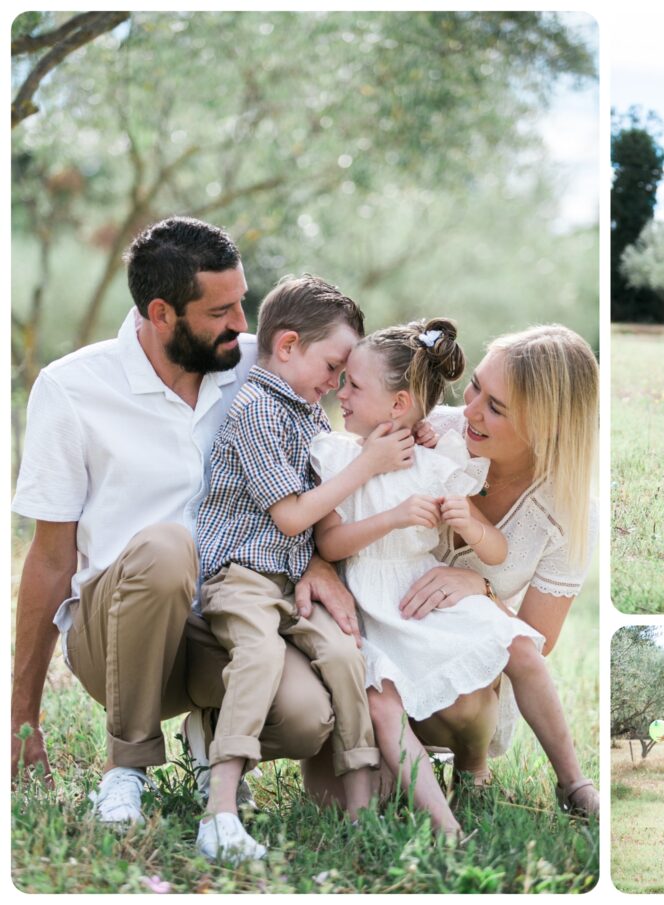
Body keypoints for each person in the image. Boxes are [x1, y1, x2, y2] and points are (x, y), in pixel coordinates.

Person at [10, 217, 402, 829]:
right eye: (221, 311)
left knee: (305, 716)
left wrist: (321, 559)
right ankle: (126, 768)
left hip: (226, 615)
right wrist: (21, 719)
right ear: (162, 313)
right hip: (116, 635)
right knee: (170, 549)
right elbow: (50, 560)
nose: (243, 325)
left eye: (242, 301)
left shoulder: (262, 369)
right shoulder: (72, 389)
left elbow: (323, 466)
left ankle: (212, 738)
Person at [303, 325, 599, 816]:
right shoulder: (429, 430)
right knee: (343, 800)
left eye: (496, 407)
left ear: (546, 425)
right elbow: (333, 503)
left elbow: (537, 642)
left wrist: (480, 589)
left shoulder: (566, 510)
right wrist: (319, 563)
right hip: (379, 627)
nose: (472, 411)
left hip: (464, 681)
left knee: (480, 686)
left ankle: (558, 781)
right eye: (477, 386)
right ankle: (406, 775)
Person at [191, 276, 414, 861]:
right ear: (287, 345)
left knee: (348, 655)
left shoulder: (311, 417)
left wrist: (412, 435)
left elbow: (347, 464)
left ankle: (362, 806)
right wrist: (367, 465)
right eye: (334, 366)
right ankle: (220, 809)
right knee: (260, 654)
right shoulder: (256, 410)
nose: (338, 383)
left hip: (294, 582)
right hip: (241, 576)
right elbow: (292, 516)